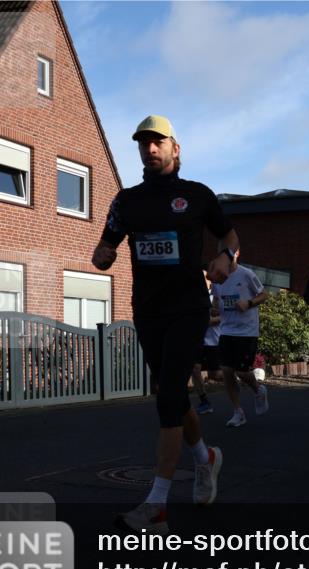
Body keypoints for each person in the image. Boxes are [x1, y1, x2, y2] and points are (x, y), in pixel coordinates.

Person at [92, 115, 236, 534]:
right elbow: (107, 242)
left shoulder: (197, 196)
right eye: (143, 144)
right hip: (148, 310)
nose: (150, 149)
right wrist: (102, 255)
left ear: (176, 148)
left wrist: (226, 258)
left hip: (189, 307)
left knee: (170, 393)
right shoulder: (126, 201)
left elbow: (230, 237)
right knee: (171, 395)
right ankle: (206, 457)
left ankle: (157, 504)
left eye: (158, 143)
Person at [212, 240, 270, 427]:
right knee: (227, 371)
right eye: (222, 252)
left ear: (237, 254)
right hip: (227, 329)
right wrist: (214, 308)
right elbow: (217, 301)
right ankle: (238, 412)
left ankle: (258, 389)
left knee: (242, 371)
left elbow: (264, 294)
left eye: (230, 252)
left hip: (246, 331)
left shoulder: (246, 275)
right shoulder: (217, 277)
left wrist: (249, 303)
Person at [192, 305, 221, 414]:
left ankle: (233, 373)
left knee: (215, 375)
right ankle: (205, 402)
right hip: (198, 341)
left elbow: (223, 318)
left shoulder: (218, 297)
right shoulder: (197, 298)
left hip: (214, 342)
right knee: (195, 369)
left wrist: (202, 321)